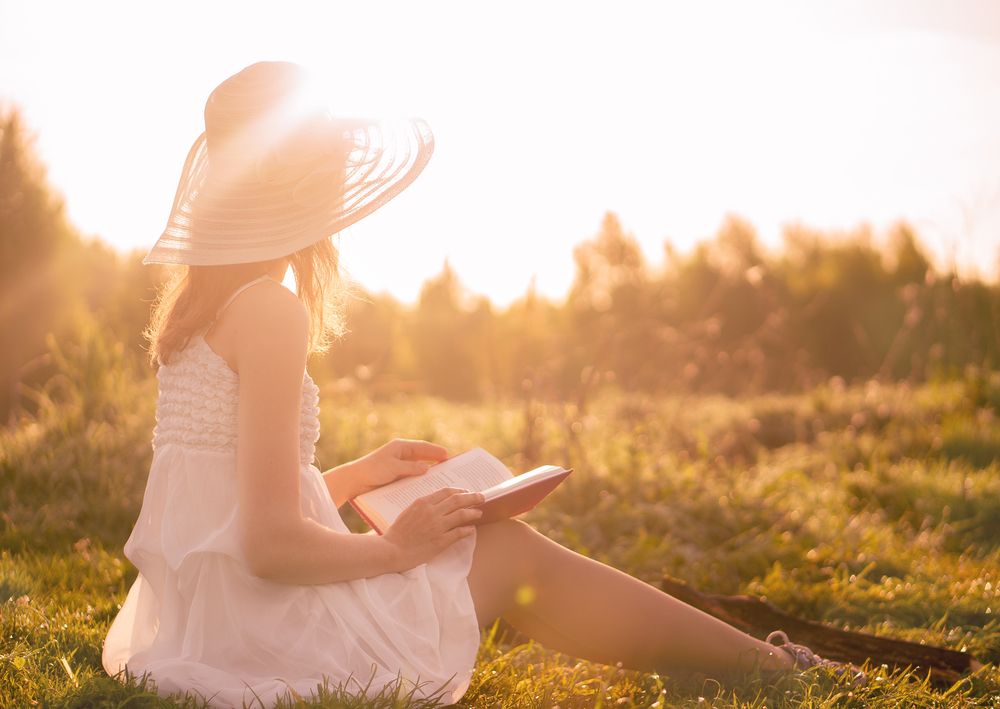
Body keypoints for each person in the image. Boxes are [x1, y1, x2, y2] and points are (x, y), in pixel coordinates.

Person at [103, 61, 847, 708]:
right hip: (269, 639)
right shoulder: (271, 311)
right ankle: (775, 668)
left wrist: (361, 475)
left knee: (492, 555)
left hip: (217, 627)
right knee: (506, 551)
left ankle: (738, 669)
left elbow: (225, 508)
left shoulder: (196, 311)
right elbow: (265, 544)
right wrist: (398, 548)